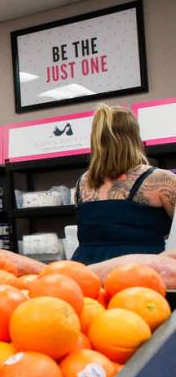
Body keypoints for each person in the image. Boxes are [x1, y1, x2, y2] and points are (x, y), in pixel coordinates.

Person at [72, 103, 176, 264]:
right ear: (135, 138)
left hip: (87, 275)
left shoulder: (83, 182)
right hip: (139, 276)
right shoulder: (162, 180)